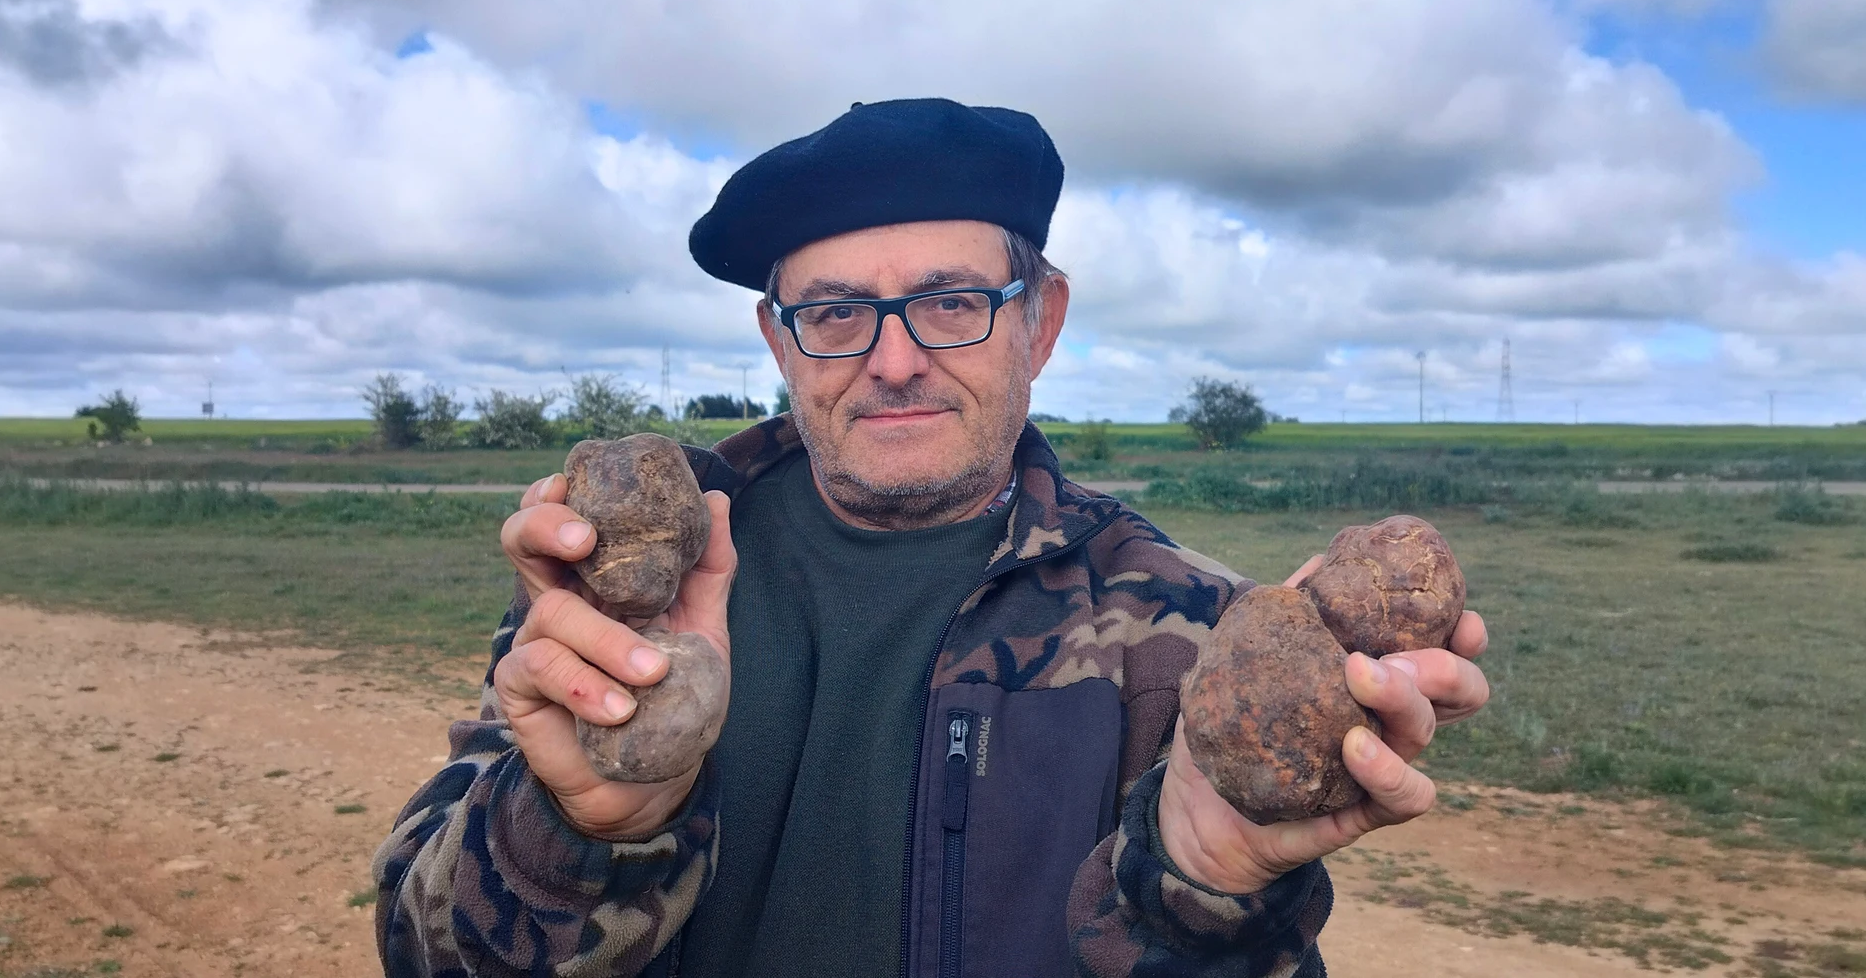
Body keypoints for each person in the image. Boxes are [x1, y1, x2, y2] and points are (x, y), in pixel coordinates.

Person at [373, 98, 1491, 977]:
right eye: (835, 310)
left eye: (952, 301)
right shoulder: (624, 594)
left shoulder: (1189, 633)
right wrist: (576, 828)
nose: (894, 358)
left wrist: (1204, 885)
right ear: (778, 337)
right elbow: (420, 954)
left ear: (1040, 321)